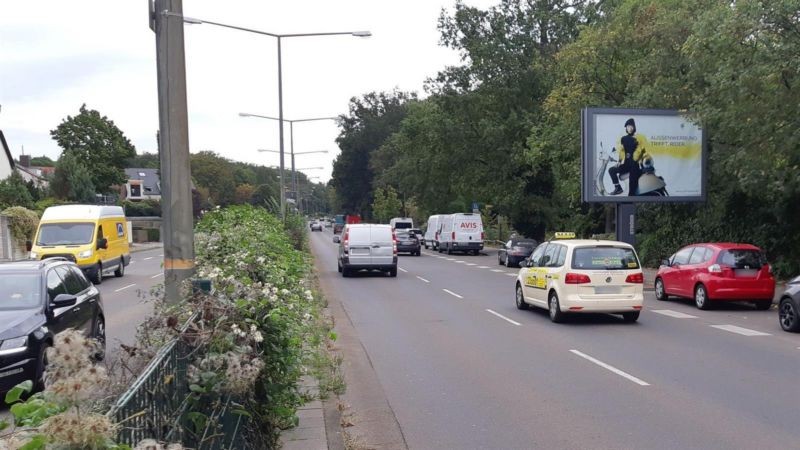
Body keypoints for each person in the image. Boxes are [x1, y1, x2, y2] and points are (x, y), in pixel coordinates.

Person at [608, 118, 647, 196]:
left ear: (634, 127)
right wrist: (619, 162)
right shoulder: (623, 139)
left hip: (634, 166)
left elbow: (643, 151)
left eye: (632, 126)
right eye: (628, 126)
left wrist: (642, 162)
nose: (630, 128)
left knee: (631, 192)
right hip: (626, 165)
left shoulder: (639, 138)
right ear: (626, 128)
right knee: (611, 170)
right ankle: (618, 188)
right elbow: (622, 151)